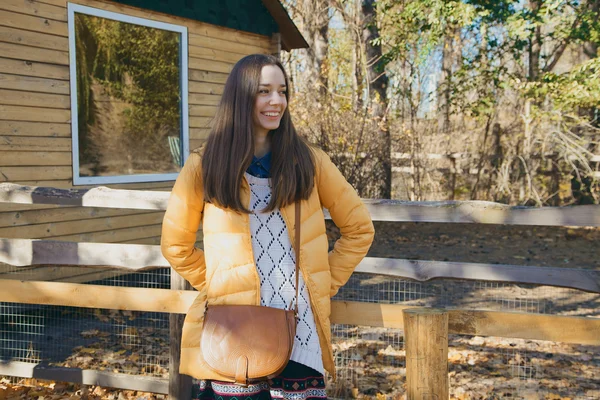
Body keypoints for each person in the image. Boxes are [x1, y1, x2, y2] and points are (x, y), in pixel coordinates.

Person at [161, 54, 375, 400]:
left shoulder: (310, 161)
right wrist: (219, 284)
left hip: (299, 329)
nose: (276, 101)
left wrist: (320, 284)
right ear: (241, 96)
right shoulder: (205, 166)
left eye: (282, 91)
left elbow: (360, 228)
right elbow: (175, 245)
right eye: (264, 91)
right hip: (234, 331)